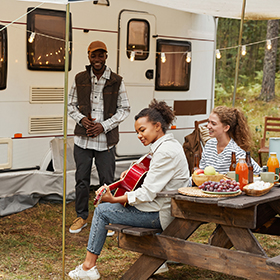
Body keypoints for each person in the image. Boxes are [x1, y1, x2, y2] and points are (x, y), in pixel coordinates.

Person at [68, 99, 190, 280]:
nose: (139, 135)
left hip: (161, 214)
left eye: (142, 130)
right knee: (108, 208)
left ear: (157, 126)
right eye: (137, 132)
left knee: (102, 210)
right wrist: (131, 172)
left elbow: (147, 193)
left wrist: (114, 200)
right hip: (165, 207)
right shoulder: (167, 145)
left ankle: (88, 268)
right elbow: (147, 169)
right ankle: (160, 263)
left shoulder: (165, 152)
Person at [68, 40, 130, 234]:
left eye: (101, 55)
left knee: (106, 180)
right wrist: (82, 121)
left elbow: (124, 109)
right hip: (83, 140)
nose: (97, 59)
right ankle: (82, 216)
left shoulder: (117, 80)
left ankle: (108, 216)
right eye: (94, 55)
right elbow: (70, 106)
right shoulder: (79, 78)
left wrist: (103, 126)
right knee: (81, 180)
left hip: (106, 140)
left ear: (106, 56)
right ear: (88, 56)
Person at [199, 106, 261, 174]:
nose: (208, 126)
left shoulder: (235, 152)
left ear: (226, 128)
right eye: (208, 122)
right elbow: (201, 172)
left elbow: (258, 172)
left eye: (213, 124)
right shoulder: (209, 145)